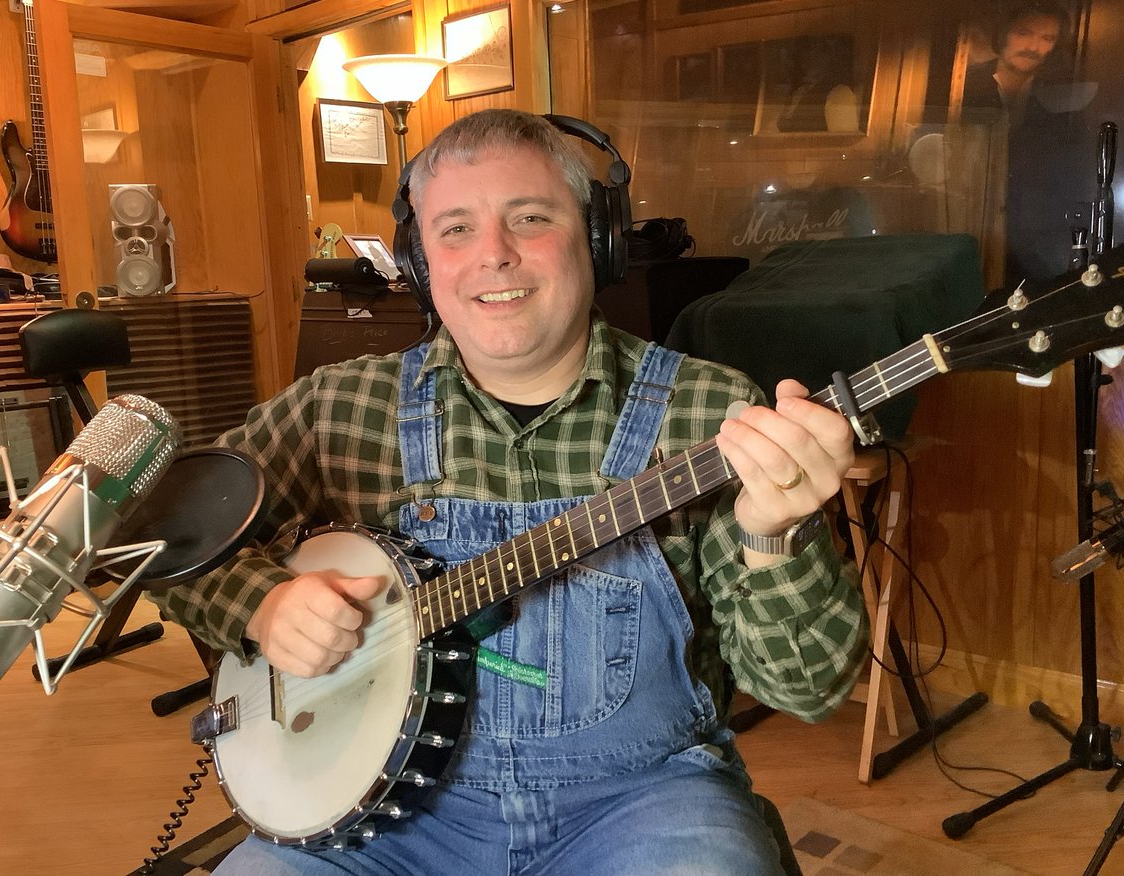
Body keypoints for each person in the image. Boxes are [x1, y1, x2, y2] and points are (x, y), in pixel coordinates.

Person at [152, 108, 868, 876]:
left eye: (529, 218)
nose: (493, 255)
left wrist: (774, 535)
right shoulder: (338, 408)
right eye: (456, 229)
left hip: (643, 806)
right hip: (387, 823)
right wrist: (263, 605)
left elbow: (807, 690)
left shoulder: (707, 410)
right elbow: (166, 535)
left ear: (599, 241)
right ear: (422, 260)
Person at [961, 1, 1090, 284]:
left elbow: (1073, 171)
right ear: (1002, 34)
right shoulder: (962, 86)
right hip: (971, 224)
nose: (1034, 46)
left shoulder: (1062, 98)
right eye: (1024, 33)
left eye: (1047, 38)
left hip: (1037, 238)